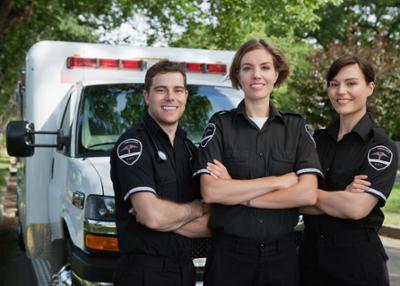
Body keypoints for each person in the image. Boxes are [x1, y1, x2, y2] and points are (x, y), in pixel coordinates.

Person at [193, 38, 323, 286]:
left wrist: (238, 192)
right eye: (247, 68)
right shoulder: (219, 125)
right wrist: (279, 181)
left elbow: (307, 194)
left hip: (282, 258)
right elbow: (211, 191)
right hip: (229, 258)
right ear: (238, 76)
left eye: (265, 67)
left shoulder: (295, 127)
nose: (256, 75)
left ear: (277, 74)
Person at [299, 55, 399, 286]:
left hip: (356, 268)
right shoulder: (317, 141)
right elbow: (295, 201)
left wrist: (308, 193)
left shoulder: (380, 147)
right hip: (308, 264)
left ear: (370, 88)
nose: (341, 91)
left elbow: (356, 208)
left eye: (351, 83)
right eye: (334, 84)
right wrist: (339, 196)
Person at [110, 60, 210, 286]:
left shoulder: (190, 150)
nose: (170, 97)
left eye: (177, 90)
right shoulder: (133, 145)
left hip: (186, 270)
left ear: (186, 96)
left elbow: (212, 224)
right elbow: (152, 216)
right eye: (161, 90)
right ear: (147, 96)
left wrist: (161, 217)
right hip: (143, 272)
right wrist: (197, 208)